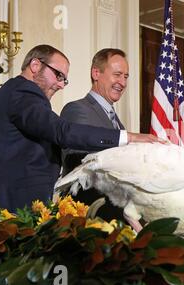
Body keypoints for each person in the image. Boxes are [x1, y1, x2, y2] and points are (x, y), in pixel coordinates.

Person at [0, 44, 161, 212]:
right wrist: (128, 137)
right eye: (58, 75)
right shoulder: (22, 92)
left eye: (64, 79)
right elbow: (62, 131)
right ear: (35, 65)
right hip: (13, 207)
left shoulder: (11, 93)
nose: (61, 85)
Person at [60, 48, 129, 221]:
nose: (122, 82)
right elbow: (81, 162)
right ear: (96, 73)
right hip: (88, 215)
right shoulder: (77, 109)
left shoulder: (116, 120)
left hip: (114, 215)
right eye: (117, 74)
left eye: (125, 76)